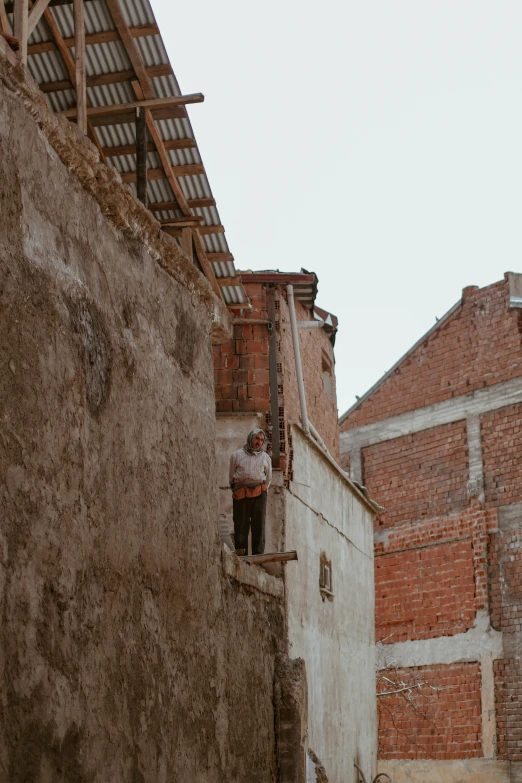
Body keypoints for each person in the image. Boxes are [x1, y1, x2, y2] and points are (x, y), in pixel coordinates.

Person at [229, 428, 272, 556]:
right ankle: (241, 556)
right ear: (250, 438)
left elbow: (268, 478)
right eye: (256, 438)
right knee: (241, 523)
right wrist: (237, 489)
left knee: (259, 525)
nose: (259, 442)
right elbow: (231, 476)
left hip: (260, 492)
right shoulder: (236, 455)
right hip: (241, 492)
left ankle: (258, 558)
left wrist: (262, 489)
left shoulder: (265, 458)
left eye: (261, 440)